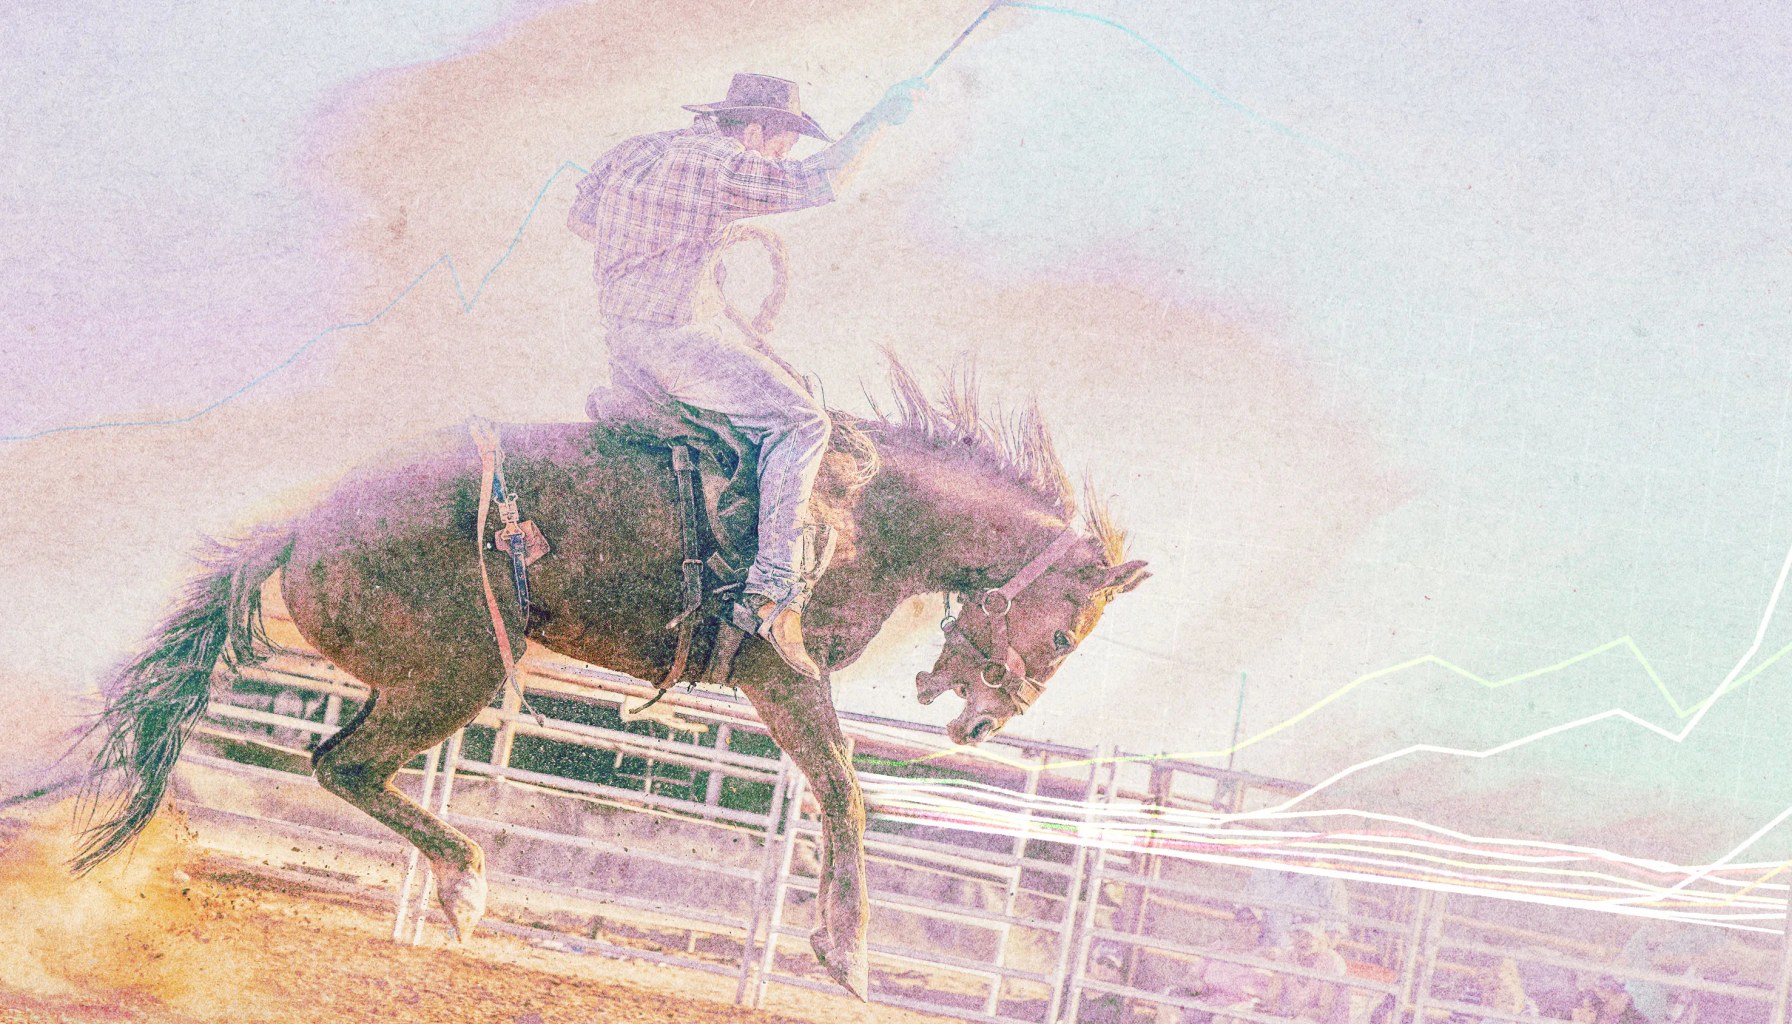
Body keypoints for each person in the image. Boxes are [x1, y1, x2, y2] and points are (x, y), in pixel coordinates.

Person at [567, 72, 924, 679]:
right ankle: (774, 591)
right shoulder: (718, 162)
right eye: (779, 146)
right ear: (756, 130)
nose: (777, 158)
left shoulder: (638, 149)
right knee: (801, 422)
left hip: (623, 338)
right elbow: (821, 180)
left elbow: (582, 224)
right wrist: (879, 118)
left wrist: (682, 250)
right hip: (671, 342)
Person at [1264, 922, 1351, 1024]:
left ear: (1320, 938)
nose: (1302, 941)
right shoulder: (1285, 958)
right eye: (1298, 934)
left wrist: (1293, 1013)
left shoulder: (1331, 962)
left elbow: (1324, 1012)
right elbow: (1272, 998)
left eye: (1308, 936)